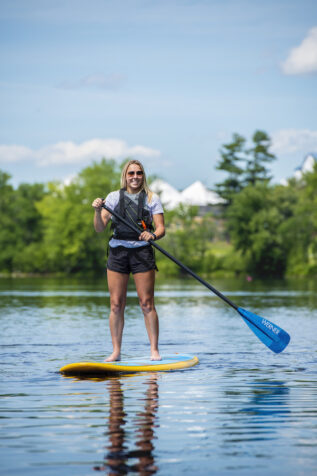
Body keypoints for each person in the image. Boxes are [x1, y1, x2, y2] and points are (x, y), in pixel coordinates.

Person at [92, 160, 165, 362]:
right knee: (116, 305)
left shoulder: (152, 198)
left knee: (146, 303)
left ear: (143, 175)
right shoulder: (114, 197)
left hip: (142, 253)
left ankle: (154, 351)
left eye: (139, 173)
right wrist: (97, 211)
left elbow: (160, 228)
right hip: (118, 253)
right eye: (131, 173)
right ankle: (116, 352)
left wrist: (153, 236)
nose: (135, 177)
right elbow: (99, 228)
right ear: (125, 175)